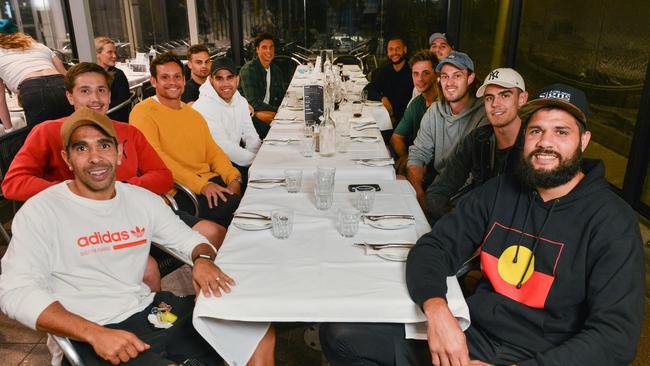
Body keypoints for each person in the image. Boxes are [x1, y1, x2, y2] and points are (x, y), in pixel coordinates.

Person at [320, 84, 645, 365]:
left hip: (543, 357)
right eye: (536, 130)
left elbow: (615, 336)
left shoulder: (612, 220)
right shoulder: (502, 190)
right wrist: (437, 311)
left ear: (584, 140)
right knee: (342, 334)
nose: (546, 143)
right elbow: (434, 247)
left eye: (561, 132)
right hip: (470, 338)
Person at [0, 108, 276, 365]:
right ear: (67, 159)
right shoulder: (42, 210)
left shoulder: (139, 199)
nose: (95, 157)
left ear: (120, 153)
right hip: (91, 329)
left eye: (104, 145)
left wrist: (202, 259)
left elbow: (185, 239)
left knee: (253, 328)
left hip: (150, 311)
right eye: (81, 148)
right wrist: (93, 333)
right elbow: (15, 291)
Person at [2, 62, 225, 292]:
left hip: (140, 213)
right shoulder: (48, 131)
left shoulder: (128, 132)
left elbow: (162, 177)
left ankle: (206, 309)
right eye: (85, 91)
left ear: (109, 95)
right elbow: (13, 184)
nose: (95, 98)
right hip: (91, 227)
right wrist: (79, 191)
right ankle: (152, 319)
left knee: (214, 233)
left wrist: (120, 188)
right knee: (146, 270)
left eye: (101, 90)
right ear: (70, 96)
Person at [131, 52, 243, 229]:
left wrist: (234, 178)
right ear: (153, 82)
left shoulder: (194, 115)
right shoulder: (142, 112)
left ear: (184, 80)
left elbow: (213, 152)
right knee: (240, 212)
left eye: (177, 77)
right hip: (182, 190)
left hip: (210, 182)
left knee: (253, 198)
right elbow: (157, 160)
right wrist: (202, 186)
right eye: (165, 77)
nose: (173, 82)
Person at [426, 68, 528, 221]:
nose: (495, 104)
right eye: (489, 98)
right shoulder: (478, 138)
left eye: (505, 95)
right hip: (473, 224)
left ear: (522, 99)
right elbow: (439, 189)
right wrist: (456, 225)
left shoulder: (535, 146)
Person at [407, 51, 487, 209]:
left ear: (470, 78)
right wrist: (418, 193)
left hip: (465, 195)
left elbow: (475, 175)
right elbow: (419, 153)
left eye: (457, 76)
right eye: (445, 76)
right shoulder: (435, 110)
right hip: (436, 187)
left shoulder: (483, 115)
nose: (449, 82)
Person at [0, 20, 73, 131]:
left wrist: (9, 129)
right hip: (60, 84)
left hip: (32, 89)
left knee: (42, 139)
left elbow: (0, 99)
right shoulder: (39, 46)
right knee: (71, 131)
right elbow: (66, 75)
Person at [193, 57, 261, 173]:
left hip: (232, 163)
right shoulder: (203, 107)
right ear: (211, 81)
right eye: (219, 78)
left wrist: (259, 156)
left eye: (230, 78)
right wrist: (257, 161)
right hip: (208, 171)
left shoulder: (240, 100)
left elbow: (249, 133)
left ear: (237, 79)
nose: (225, 84)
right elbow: (224, 147)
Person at [390, 50, 438, 175]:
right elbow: (396, 137)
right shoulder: (417, 103)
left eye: (426, 73)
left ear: (436, 74)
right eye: (415, 74)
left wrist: (411, 160)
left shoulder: (444, 105)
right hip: (417, 162)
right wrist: (405, 156)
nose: (420, 79)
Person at [238, 32, 286, 139]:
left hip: (267, 111)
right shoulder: (249, 70)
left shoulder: (276, 70)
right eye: (264, 47)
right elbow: (253, 102)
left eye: (271, 47)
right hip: (249, 114)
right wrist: (279, 110)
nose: (268, 51)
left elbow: (282, 96)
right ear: (257, 49)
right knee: (279, 126)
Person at [367, 37, 414, 127]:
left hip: (407, 122)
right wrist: (383, 98)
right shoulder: (385, 70)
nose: (394, 53)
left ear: (405, 49)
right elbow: (368, 90)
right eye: (391, 49)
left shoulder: (413, 71)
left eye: (398, 49)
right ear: (388, 53)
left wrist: (394, 117)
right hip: (387, 119)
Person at [95, 36, 131, 122]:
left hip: (113, 119)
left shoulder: (118, 75)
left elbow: (122, 104)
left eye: (114, 52)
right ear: (97, 54)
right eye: (110, 52)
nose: (114, 56)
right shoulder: (90, 74)